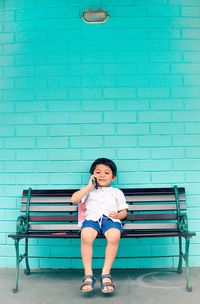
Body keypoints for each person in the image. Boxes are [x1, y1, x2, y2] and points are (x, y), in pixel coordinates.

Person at [71, 158, 128, 295]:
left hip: (110, 220)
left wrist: (118, 216)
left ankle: (106, 274)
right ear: (93, 175)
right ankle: (88, 275)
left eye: (107, 173)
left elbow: (124, 212)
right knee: (86, 236)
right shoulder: (88, 191)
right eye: (98, 172)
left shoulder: (117, 192)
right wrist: (89, 186)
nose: (102, 175)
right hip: (92, 220)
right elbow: (74, 200)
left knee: (114, 236)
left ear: (113, 177)